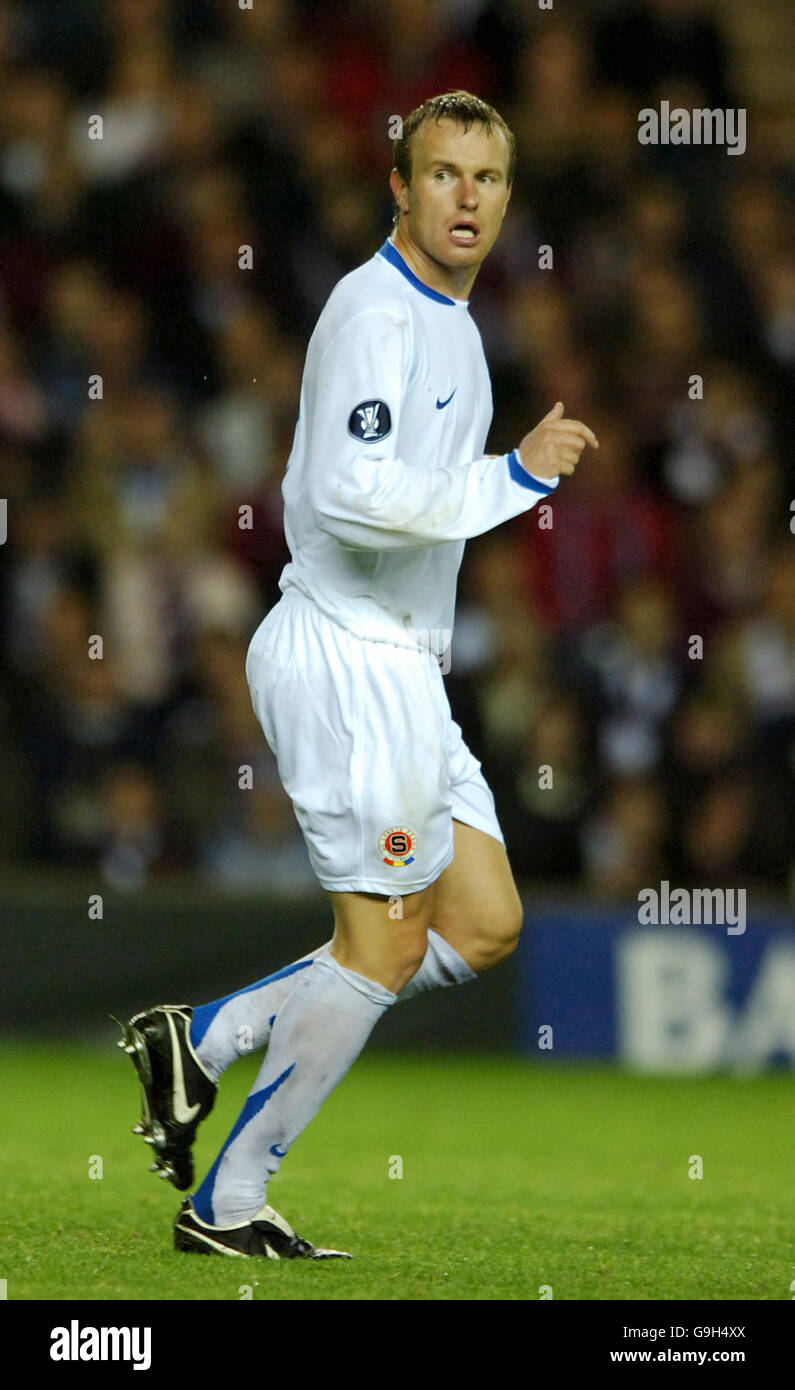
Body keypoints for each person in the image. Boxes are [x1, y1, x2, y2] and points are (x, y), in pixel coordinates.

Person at [117, 90, 598, 1261]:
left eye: (485, 177)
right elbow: (346, 492)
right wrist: (515, 479)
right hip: (344, 655)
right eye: (442, 174)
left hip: (404, 670)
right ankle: (228, 1201)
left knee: (482, 920)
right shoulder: (375, 314)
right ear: (400, 186)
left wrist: (496, 480)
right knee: (381, 944)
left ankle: (204, 1035)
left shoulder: (454, 325)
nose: (467, 197)